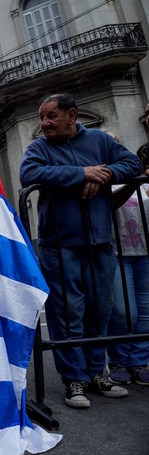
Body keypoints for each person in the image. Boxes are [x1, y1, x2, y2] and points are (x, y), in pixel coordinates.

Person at [19, 93, 143, 409]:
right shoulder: (39, 147)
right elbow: (29, 174)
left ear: (72, 115)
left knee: (100, 309)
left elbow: (133, 163)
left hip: (100, 240)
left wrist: (104, 176)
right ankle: (73, 379)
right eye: (41, 117)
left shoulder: (100, 140)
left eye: (51, 117)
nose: (44, 123)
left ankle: (95, 373)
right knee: (66, 312)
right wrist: (81, 174)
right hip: (58, 245)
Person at [105, 129, 149, 386]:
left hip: (144, 252)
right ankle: (119, 360)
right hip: (116, 252)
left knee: (145, 314)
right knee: (123, 312)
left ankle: (140, 362)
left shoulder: (138, 178)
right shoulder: (104, 178)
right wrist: (134, 182)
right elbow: (109, 203)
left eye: (116, 143)